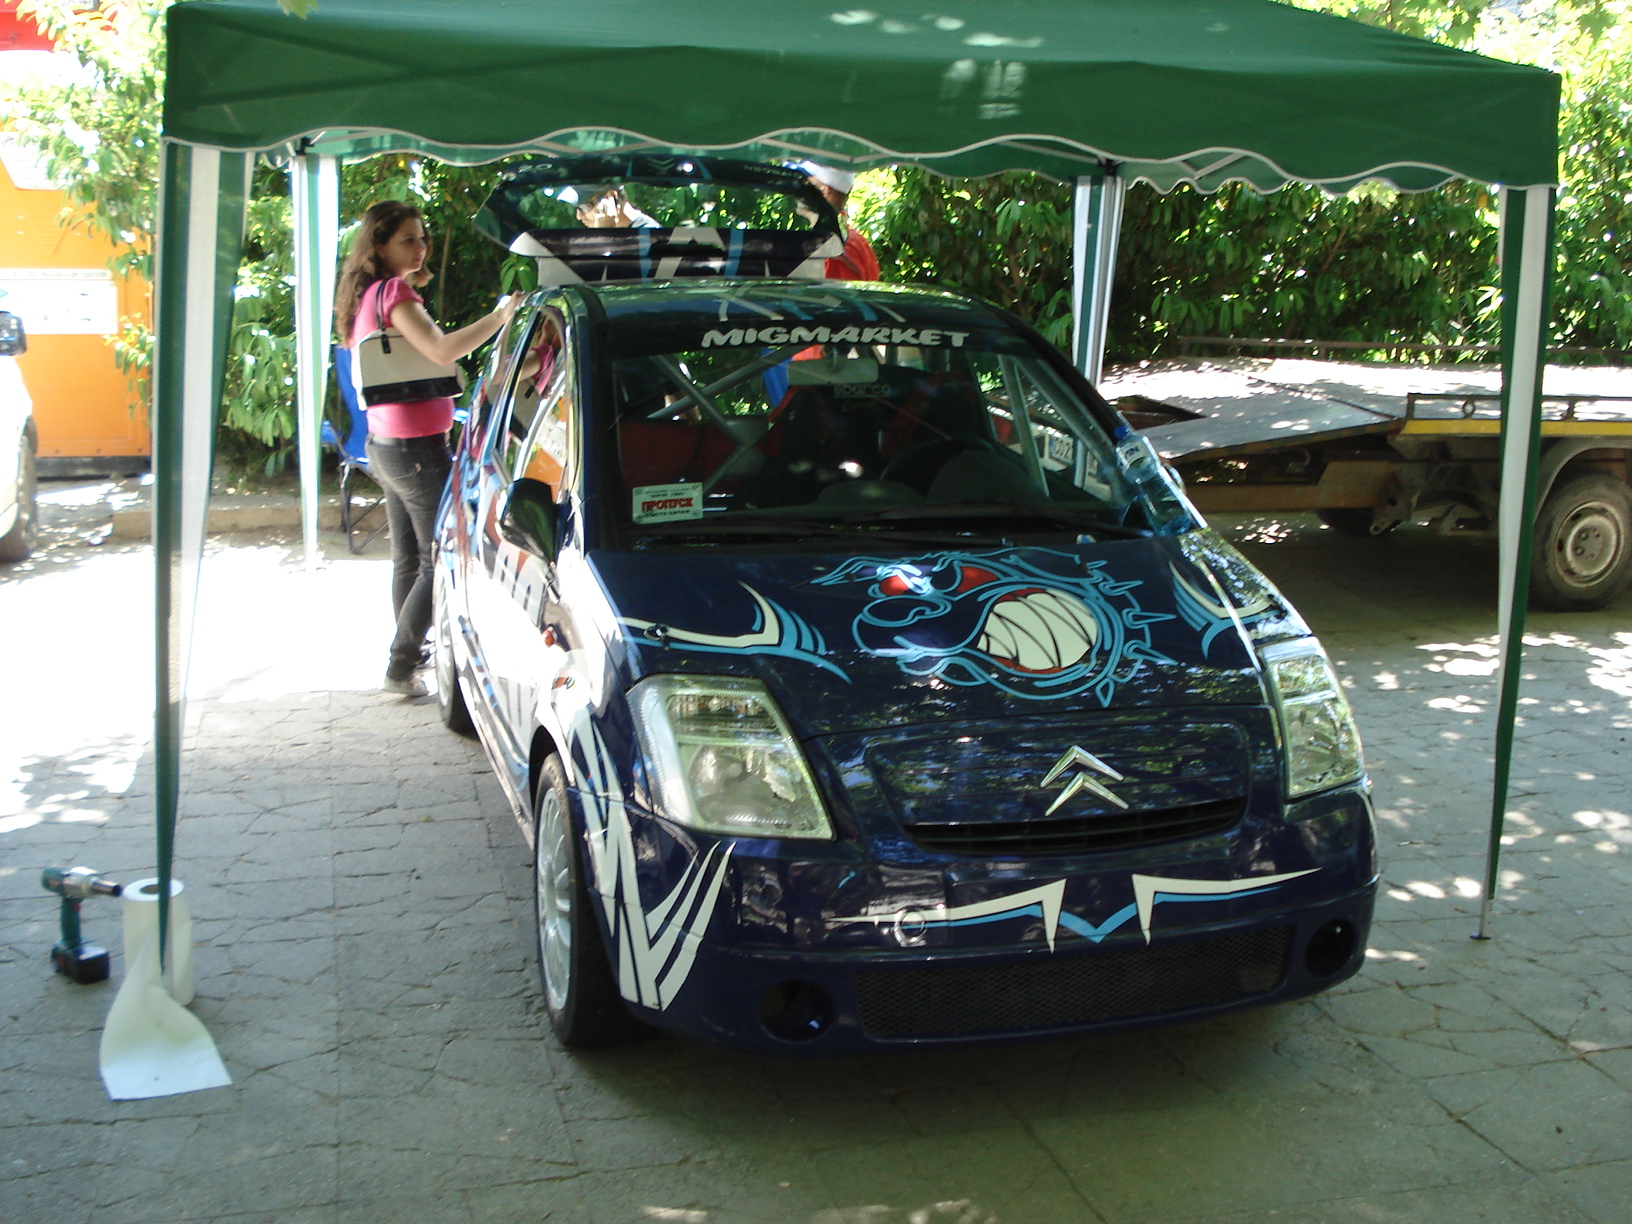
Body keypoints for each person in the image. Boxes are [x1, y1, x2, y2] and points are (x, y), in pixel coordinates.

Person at [334, 201, 518, 697]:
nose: (421, 248)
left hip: (387, 443)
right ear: (379, 245)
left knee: (409, 559)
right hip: (415, 449)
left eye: (423, 238)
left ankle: (411, 661)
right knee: (438, 555)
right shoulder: (393, 292)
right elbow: (442, 351)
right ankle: (401, 666)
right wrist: (501, 316)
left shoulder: (368, 294)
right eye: (408, 240)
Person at [793, 161, 880, 281]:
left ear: (824, 191)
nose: (797, 188)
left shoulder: (833, 249)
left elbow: (830, 292)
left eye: (805, 182)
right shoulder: (852, 240)